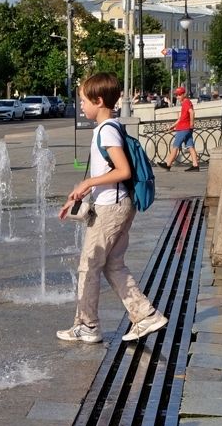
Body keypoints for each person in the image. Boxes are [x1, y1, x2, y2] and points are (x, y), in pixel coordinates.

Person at [57, 72, 168, 344]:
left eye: (83, 100)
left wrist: (90, 182)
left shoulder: (107, 130)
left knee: (89, 265)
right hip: (117, 204)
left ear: (98, 100)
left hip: (112, 208)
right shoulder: (110, 128)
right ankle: (145, 315)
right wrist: (81, 193)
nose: (81, 106)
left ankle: (88, 325)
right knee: (113, 265)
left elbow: (122, 170)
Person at [157, 86, 200, 172]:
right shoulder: (185, 102)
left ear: (184, 94)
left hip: (184, 128)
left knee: (175, 146)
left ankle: (168, 164)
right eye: (177, 95)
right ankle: (195, 165)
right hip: (186, 128)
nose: (178, 97)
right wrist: (173, 125)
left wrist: (192, 123)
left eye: (179, 95)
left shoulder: (186, 102)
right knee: (190, 146)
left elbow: (192, 112)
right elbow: (181, 118)